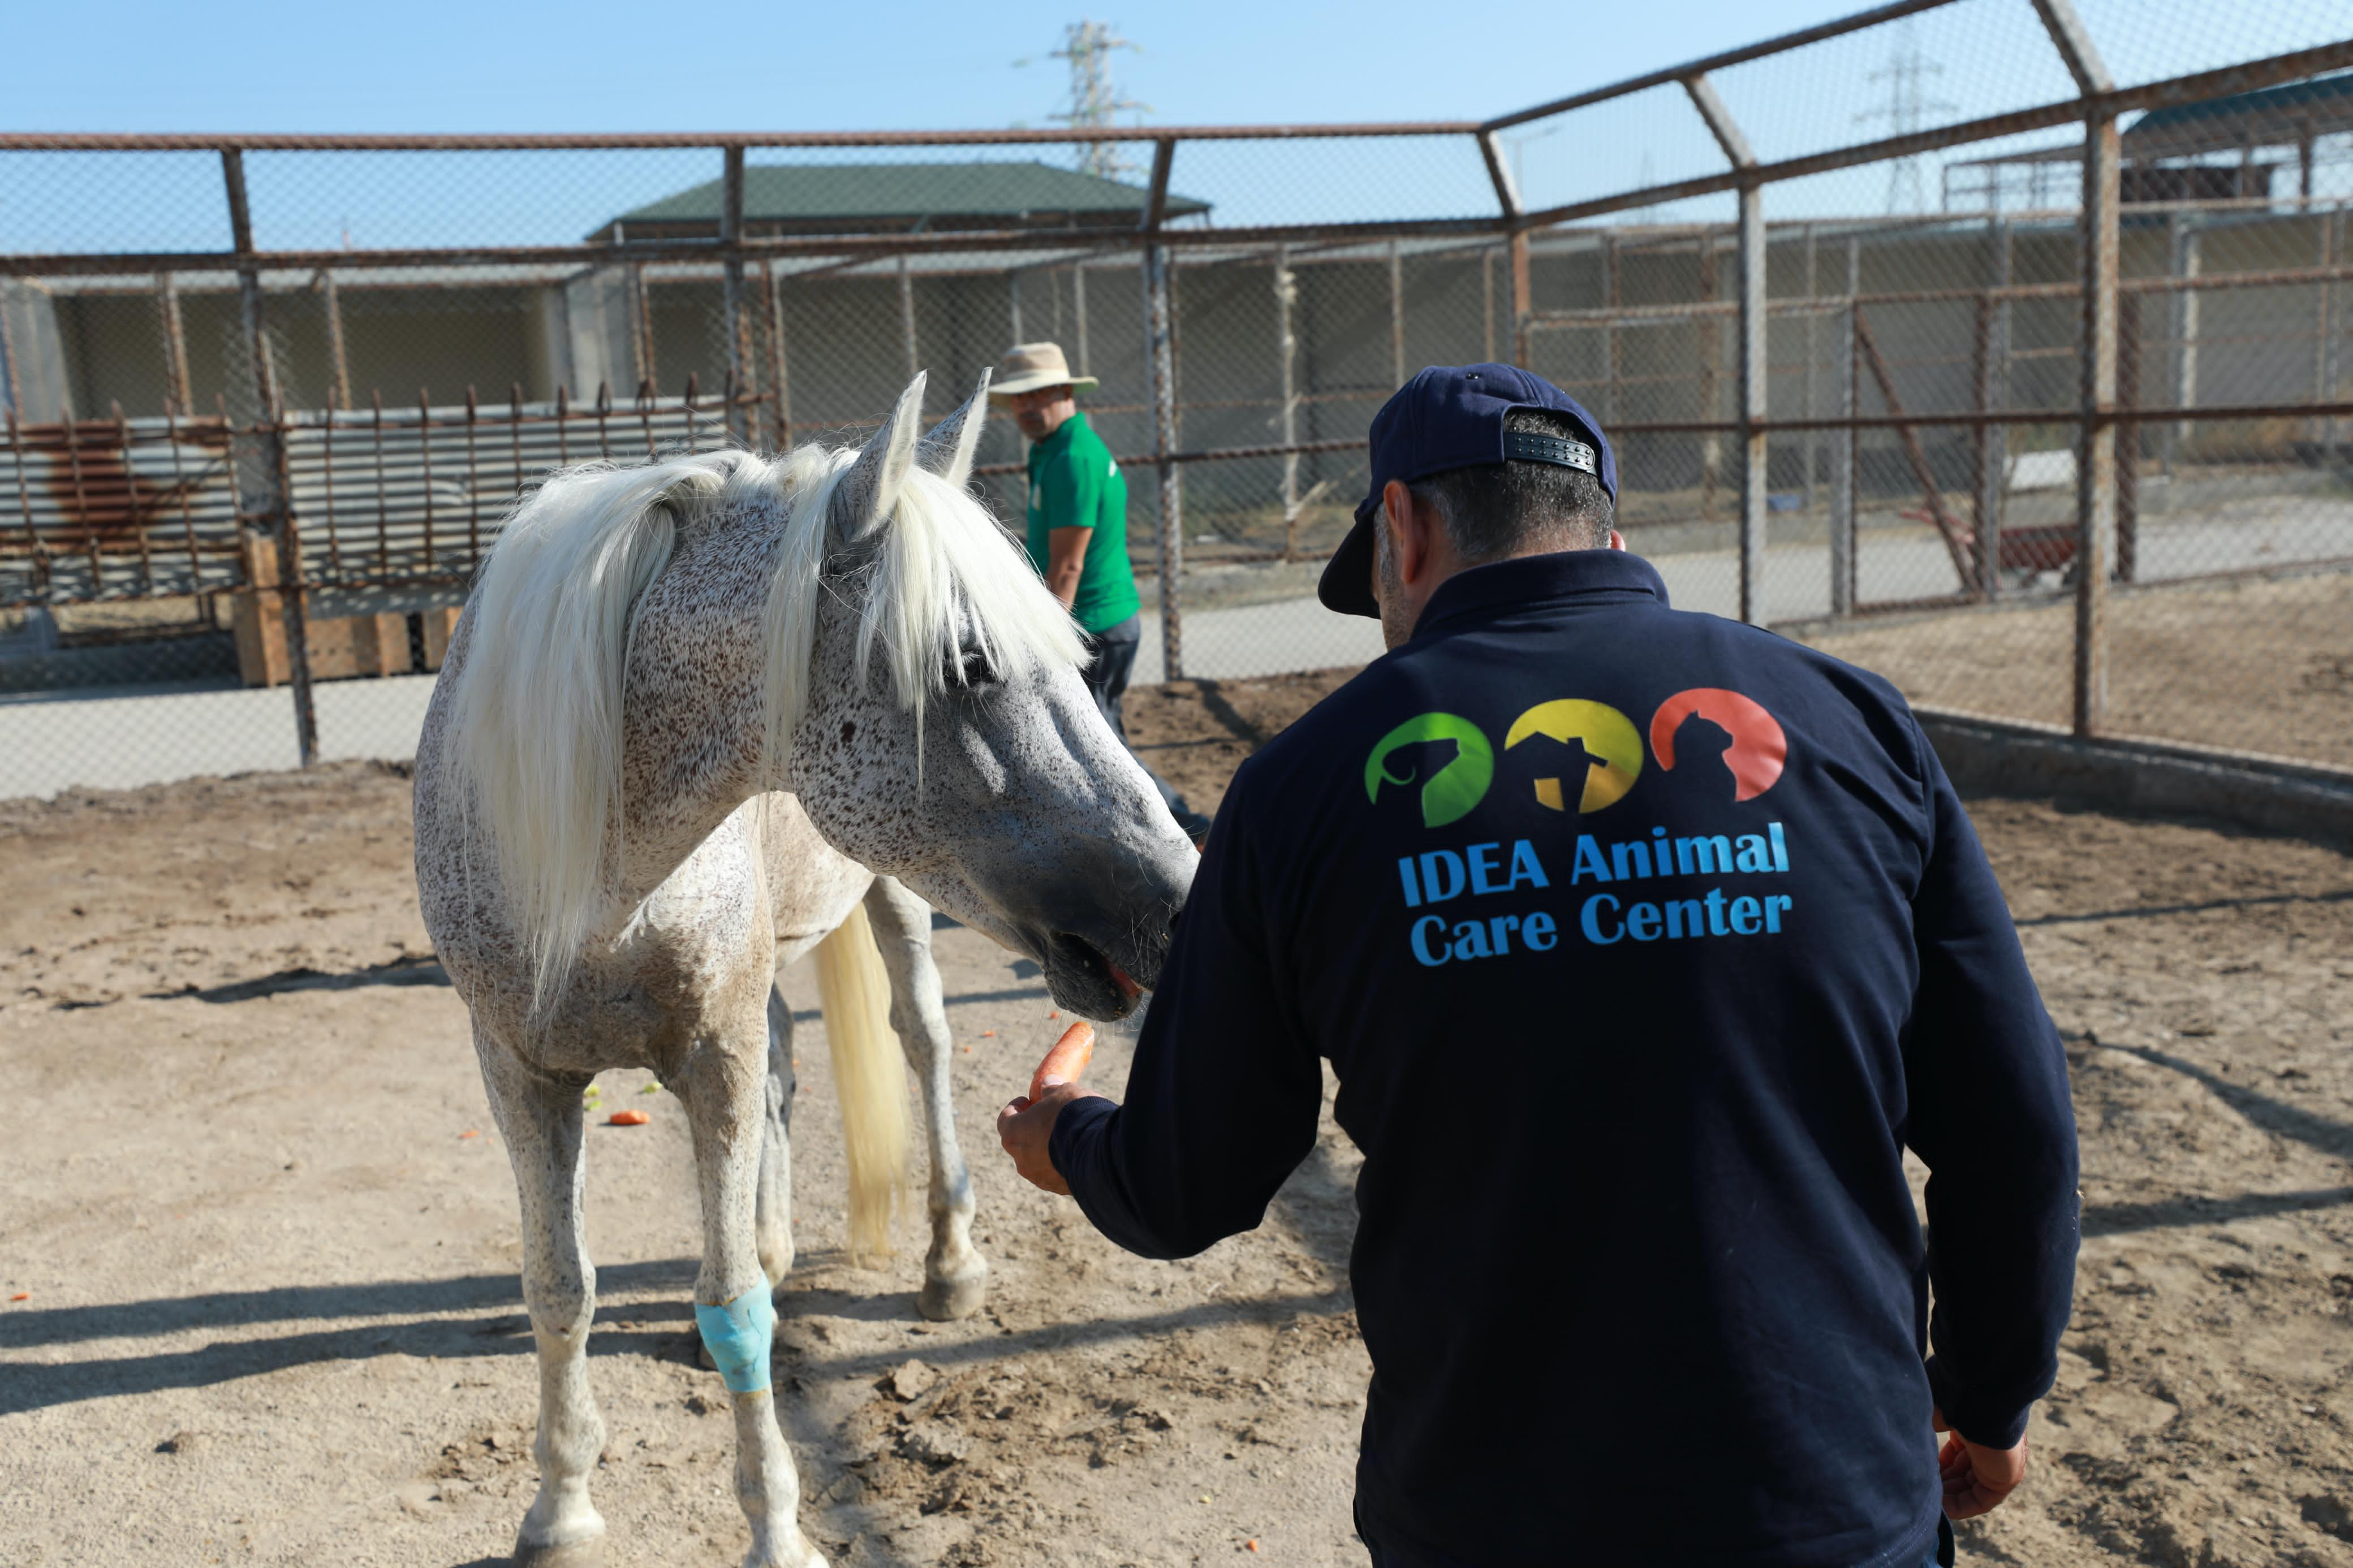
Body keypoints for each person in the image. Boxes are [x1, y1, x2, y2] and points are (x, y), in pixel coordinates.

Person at [997, 363, 2080, 1567]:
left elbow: (1189, 1182)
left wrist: (1069, 1139)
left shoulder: (1299, 790)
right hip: (1834, 1499)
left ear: (1401, 529)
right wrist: (1988, 1394)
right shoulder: (1852, 721)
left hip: (1490, 1514)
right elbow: (2014, 1125)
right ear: (1606, 526)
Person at [992, 341, 1213, 841]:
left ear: (1066, 391)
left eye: (1038, 394)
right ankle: (1173, 829)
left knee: (1102, 747)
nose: (1026, 407)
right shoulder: (1055, 449)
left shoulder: (1072, 457)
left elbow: (1068, 565)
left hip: (1092, 625)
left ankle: (1187, 829)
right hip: (1097, 621)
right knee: (1102, 740)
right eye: (1018, 398)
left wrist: (1044, 639)